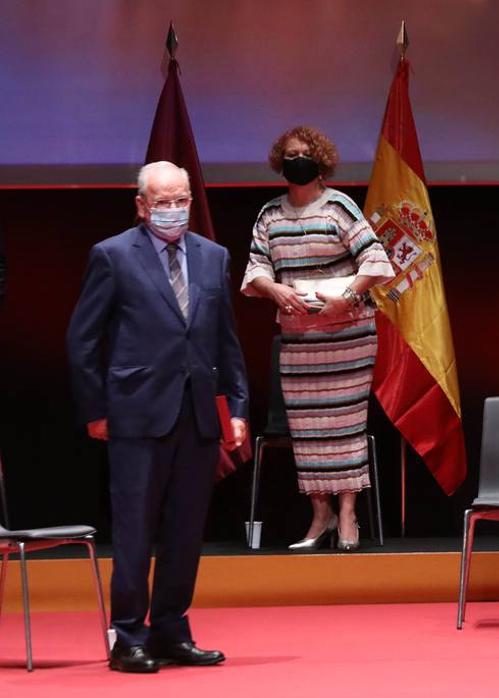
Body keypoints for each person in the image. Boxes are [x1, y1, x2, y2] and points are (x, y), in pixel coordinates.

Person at [66, 161, 249, 673]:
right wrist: (96, 409)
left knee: (186, 529)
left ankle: (171, 629)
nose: (174, 209)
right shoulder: (112, 255)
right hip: (135, 415)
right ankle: (128, 636)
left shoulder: (214, 257)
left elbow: (226, 341)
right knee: (134, 528)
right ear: (142, 206)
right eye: (163, 201)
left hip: (197, 415)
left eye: (182, 198)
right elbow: (83, 341)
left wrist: (237, 408)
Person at [241, 126, 394, 551]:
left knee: (345, 428)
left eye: (305, 153)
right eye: (290, 154)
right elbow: (255, 270)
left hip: (347, 338)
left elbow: (376, 261)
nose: (297, 159)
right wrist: (274, 289)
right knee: (309, 432)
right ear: (279, 162)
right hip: (300, 344)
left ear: (321, 160)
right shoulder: (269, 214)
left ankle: (347, 514)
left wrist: (347, 297)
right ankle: (319, 515)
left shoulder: (339, 207)